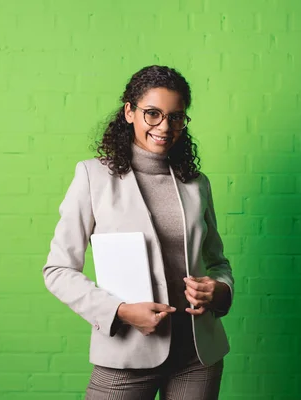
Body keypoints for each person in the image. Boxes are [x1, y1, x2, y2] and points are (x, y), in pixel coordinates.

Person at [42, 65, 234, 400]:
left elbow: (218, 263)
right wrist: (120, 312)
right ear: (129, 112)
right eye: (153, 114)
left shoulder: (197, 184)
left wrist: (220, 292)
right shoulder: (92, 177)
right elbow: (57, 271)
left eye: (176, 117)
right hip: (127, 355)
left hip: (198, 357)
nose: (165, 126)